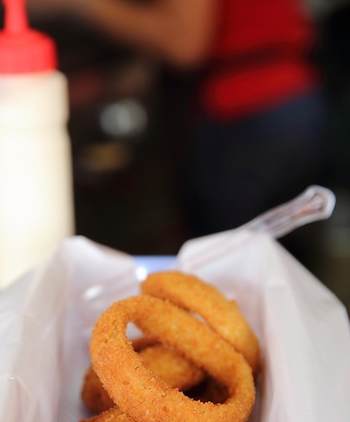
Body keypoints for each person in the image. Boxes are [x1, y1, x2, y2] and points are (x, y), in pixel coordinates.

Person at [28, 0, 327, 264]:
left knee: (223, 269)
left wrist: (78, 4)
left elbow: (185, 44)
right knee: (273, 268)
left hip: (251, 110)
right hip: (290, 100)